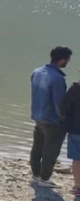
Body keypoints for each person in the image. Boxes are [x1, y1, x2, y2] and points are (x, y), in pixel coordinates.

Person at [30, 46, 72, 188]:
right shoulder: (58, 78)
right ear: (61, 60)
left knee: (37, 147)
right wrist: (64, 119)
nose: (68, 62)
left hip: (37, 116)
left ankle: (35, 175)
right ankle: (45, 178)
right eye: (67, 60)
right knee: (51, 150)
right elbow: (59, 103)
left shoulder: (36, 72)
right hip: (52, 120)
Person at [59, 79, 80, 196]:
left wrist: (66, 122)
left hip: (76, 129)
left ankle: (78, 187)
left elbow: (63, 107)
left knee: (77, 159)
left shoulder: (76, 89)